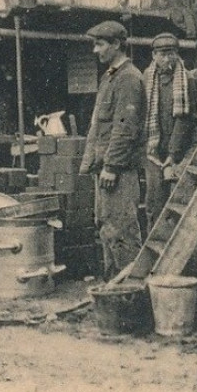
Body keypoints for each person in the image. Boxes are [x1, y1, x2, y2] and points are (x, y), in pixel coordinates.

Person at [79, 20, 146, 276]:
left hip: (118, 171)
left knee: (122, 230)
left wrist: (112, 166)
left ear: (117, 45)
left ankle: (130, 290)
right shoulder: (110, 77)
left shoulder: (128, 79)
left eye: (100, 44)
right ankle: (112, 289)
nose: (96, 50)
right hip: (106, 168)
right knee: (106, 226)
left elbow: (125, 128)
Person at [142, 33, 196, 220]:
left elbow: (186, 120)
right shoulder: (146, 78)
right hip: (153, 151)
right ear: (154, 56)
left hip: (179, 150)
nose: (166, 59)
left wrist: (173, 155)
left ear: (176, 54)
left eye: (170, 54)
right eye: (161, 54)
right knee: (155, 201)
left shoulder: (187, 79)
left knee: (179, 201)